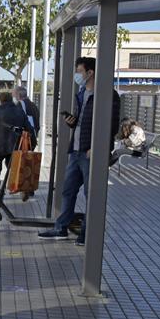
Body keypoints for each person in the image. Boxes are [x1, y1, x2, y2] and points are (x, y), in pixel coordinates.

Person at [38, 56, 120, 246]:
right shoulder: (82, 92)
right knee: (68, 191)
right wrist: (72, 121)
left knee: (91, 195)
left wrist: (98, 148)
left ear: (90, 72)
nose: (77, 75)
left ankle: (87, 234)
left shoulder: (108, 95)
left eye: (79, 71)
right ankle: (61, 228)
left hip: (91, 152)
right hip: (75, 151)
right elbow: (82, 121)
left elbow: (111, 125)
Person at [0, 92, 29, 199]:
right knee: (14, 168)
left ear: (1, 101)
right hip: (15, 145)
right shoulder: (20, 111)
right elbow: (27, 128)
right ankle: (20, 188)